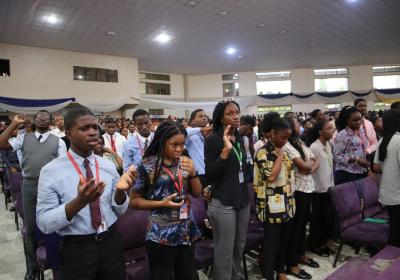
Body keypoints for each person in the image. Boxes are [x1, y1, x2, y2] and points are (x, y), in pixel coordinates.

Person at [36, 107, 136, 280]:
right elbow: (44, 222)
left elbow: (119, 210)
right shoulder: (50, 171)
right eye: (84, 128)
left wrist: (120, 193)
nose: (92, 133)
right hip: (77, 248)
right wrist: (79, 202)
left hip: (111, 241)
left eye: (95, 127)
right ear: (69, 133)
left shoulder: (107, 165)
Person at [130, 120, 202, 280]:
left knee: (188, 274)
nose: (179, 149)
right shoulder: (147, 166)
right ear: (162, 142)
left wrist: (193, 172)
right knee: (161, 275)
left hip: (185, 230)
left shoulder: (185, 161)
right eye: (174, 144)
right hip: (160, 234)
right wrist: (160, 203)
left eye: (182, 144)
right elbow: (134, 201)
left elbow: (197, 194)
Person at [0, 110, 67, 280]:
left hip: (51, 187)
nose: (42, 118)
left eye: (45, 116)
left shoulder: (58, 141)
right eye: (39, 116)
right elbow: (2, 144)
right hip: (29, 185)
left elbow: (64, 167)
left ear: (50, 121)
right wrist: (14, 124)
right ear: (34, 120)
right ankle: (33, 268)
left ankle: (55, 262)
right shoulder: (24, 138)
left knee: (54, 225)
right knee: (30, 229)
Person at [204, 99, 250, 280]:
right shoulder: (213, 140)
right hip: (223, 201)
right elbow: (210, 175)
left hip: (242, 199)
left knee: (239, 247)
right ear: (221, 118)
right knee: (224, 251)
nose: (235, 116)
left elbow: (241, 169)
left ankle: (237, 277)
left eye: (237, 112)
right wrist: (224, 151)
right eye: (230, 113)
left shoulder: (239, 138)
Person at [254, 117, 295, 280]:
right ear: (272, 133)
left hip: (287, 202)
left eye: (288, 137)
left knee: (283, 242)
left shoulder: (284, 149)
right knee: (271, 246)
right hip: (270, 206)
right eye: (283, 137)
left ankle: (281, 271)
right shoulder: (263, 153)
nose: (286, 141)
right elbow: (271, 177)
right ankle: (268, 275)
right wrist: (279, 156)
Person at [284, 116, 319, 280]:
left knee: (303, 225)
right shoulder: (287, 144)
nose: (300, 126)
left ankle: (301, 254)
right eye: (297, 123)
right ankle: (292, 263)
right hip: (297, 190)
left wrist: (310, 168)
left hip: (308, 187)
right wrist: (310, 167)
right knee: (295, 228)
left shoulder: (300, 141)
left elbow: (314, 160)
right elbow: (304, 165)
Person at [308, 120, 336, 257]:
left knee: (326, 218)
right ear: (320, 131)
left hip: (329, 187)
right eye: (329, 128)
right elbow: (311, 169)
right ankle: (315, 245)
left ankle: (323, 243)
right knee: (317, 219)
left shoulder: (328, 145)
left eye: (332, 128)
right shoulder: (314, 147)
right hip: (318, 188)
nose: (332, 130)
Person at [374, 109, 400, 247]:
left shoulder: (383, 140)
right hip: (398, 193)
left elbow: (376, 167)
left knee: (394, 229)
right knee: (396, 231)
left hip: (388, 192)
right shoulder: (398, 140)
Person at [333, 106, 370, 184]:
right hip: (346, 173)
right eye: (354, 120)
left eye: (360, 119)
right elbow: (336, 156)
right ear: (347, 120)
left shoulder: (361, 132)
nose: (358, 122)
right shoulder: (343, 134)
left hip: (360, 171)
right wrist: (356, 160)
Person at [185, 109, 212, 187]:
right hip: (199, 175)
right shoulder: (190, 135)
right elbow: (184, 131)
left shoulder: (209, 133)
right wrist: (202, 129)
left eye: (205, 116)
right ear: (192, 121)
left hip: (211, 172)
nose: (204, 118)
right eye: (200, 116)